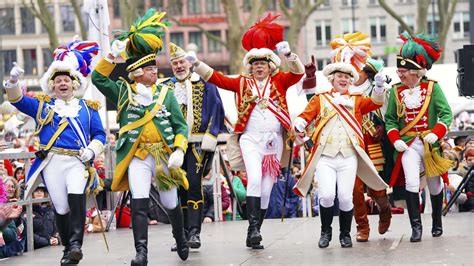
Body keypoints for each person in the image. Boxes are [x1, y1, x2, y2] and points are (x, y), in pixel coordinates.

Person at [187, 14, 304, 249]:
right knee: (255, 180)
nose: (259, 67)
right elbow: (217, 78)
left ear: (270, 66)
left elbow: (299, 73)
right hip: (250, 139)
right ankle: (252, 228)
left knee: (267, 189)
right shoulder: (241, 82)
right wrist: (196, 64)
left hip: (274, 141)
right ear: (250, 66)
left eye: (263, 64)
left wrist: (289, 55)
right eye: (255, 64)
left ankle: (256, 231)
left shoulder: (279, 81)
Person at [91, 9, 189, 264]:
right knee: (139, 200)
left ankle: (180, 237)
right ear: (136, 72)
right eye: (149, 69)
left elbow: (180, 126)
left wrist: (178, 150)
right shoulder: (123, 92)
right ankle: (141, 252)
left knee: (170, 202)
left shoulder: (165, 93)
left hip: (164, 154)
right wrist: (112, 55)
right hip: (137, 155)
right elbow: (98, 78)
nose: (154, 72)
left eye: (155, 68)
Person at [4, 38, 106, 264]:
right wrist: (12, 82)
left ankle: (77, 244)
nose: (62, 83)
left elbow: (100, 135)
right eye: (58, 80)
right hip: (52, 162)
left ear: (74, 84)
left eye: (66, 80)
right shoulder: (42, 105)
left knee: (77, 197)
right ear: (52, 85)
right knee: (60, 206)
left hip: (77, 161)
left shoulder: (88, 109)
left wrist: (92, 150)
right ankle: (68, 247)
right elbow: (18, 101)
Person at [292, 32, 388, 248]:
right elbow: (305, 116)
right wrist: (298, 123)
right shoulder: (321, 98)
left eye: (346, 77)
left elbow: (375, 103)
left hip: (348, 156)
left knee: (346, 198)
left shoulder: (357, 100)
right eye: (339, 77)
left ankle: (345, 234)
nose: (343, 80)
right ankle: (325, 232)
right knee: (326, 196)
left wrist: (380, 87)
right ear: (332, 79)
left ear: (350, 81)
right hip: (325, 156)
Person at [385, 32, 452, 242]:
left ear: (415, 71)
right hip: (407, 145)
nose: (400, 75)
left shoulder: (433, 87)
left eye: (403, 71)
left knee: (434, 185)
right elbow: (390, 120)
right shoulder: (395, 91)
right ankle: (416, 227)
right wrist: (395, 138)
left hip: (429, 145)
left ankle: (437, 222)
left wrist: (436, 133)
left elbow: (446, 114)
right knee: (411, 183)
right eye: (399, 71)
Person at [162, 42, 227, 250]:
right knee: (179, 187)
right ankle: (181, 236)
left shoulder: (205, 84)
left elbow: (217, 110)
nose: (179, 66)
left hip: (199, 142)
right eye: (175, 64)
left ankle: (194, 232)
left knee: (193, 184)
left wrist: (210, 137)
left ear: (188, 63)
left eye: (181, 62)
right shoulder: (165, 88)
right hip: (174, 146)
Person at [349, 58, 393, 242]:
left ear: (367, 73)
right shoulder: (342, 90)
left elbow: (389, 114)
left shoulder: (381, 88)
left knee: (376, 188)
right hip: (350, 143)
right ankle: (362, 227)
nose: (350, 77)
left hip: (372, 142)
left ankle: (385, 210)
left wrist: (382, 128)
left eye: (355, 73)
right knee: (355, 189)